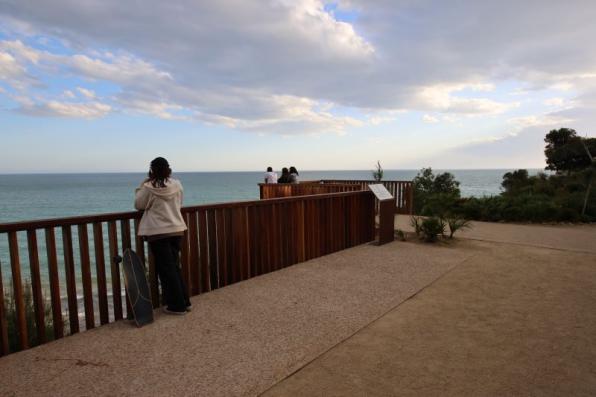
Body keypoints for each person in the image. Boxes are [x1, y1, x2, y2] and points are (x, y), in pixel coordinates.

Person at [135, 157, 190, 315]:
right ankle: (185, 302)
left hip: (158, 232)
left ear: (152, 170)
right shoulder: (177, 184)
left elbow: (139, 204)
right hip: (176, 229)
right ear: (168, 169)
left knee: (166, 270)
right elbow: (179, 204)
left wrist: (142, 185)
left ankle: (177, 306)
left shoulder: (148, 187)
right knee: (174, 266)